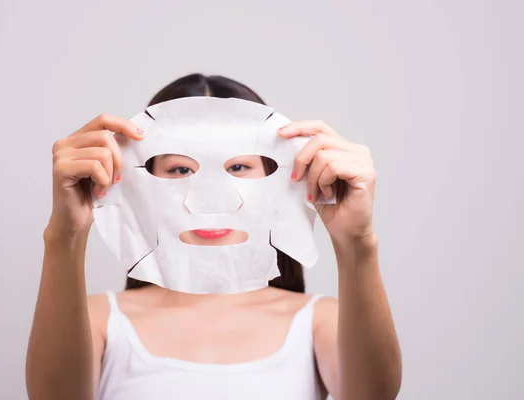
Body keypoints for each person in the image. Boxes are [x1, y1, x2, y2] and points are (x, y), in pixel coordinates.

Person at [26, 74, 402, 400]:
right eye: (178, 169)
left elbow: (372, 395)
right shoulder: (98, 320)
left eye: (238, 166)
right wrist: (64, 235)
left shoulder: (321, 321)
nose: (209, 199)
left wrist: (358, 243)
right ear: (138, 181)